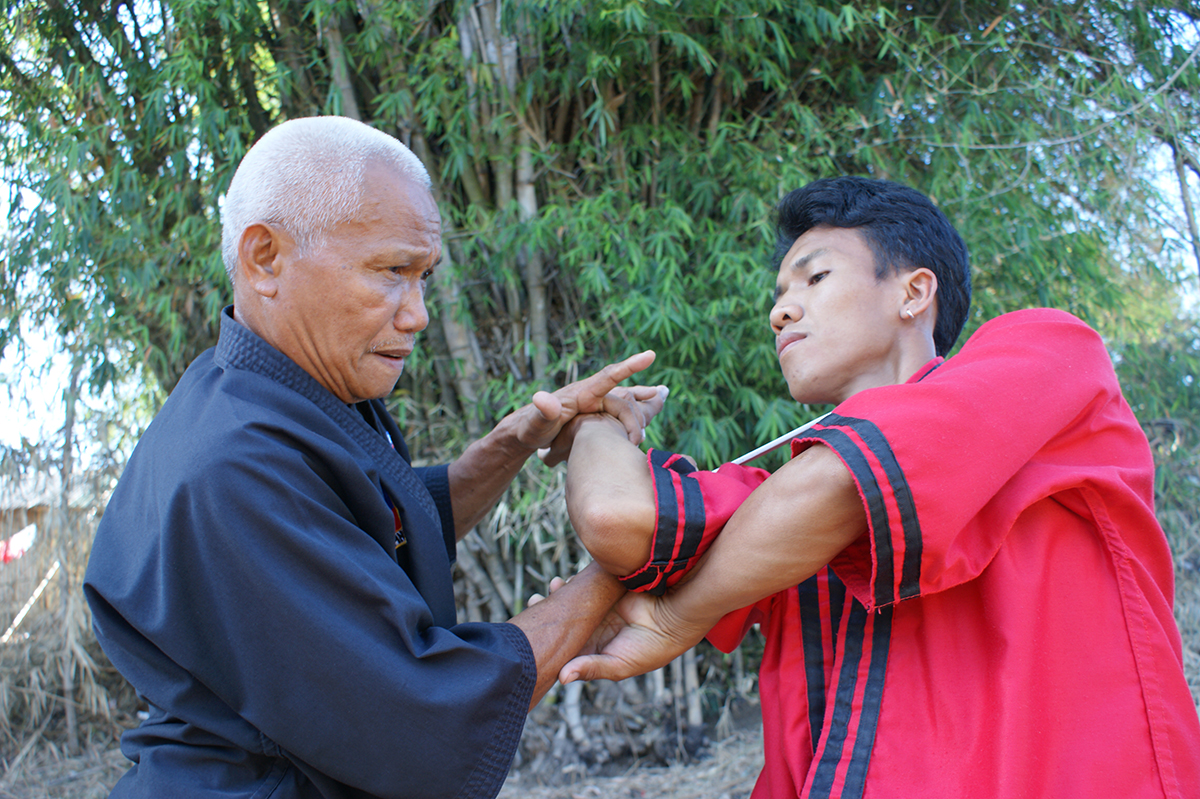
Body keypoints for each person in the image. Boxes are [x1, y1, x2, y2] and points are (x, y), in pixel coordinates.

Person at [559, 177, 1200, 798]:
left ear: (915, 292)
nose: (779, 309)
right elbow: (617, 516)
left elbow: (838, 489)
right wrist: (598, 421)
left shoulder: (1048, 358)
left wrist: (678, 615)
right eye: (780, 293)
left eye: (815, 278)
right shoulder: (779, 493)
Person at [83, 116, 665, 799]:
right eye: (391, 271)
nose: (416, 313)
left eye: (422, 276)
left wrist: (519, 438)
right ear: (265, 257)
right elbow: (422, 716)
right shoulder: (234, 462)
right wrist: (630, 561)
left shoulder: (277, 390)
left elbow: (382, 520)